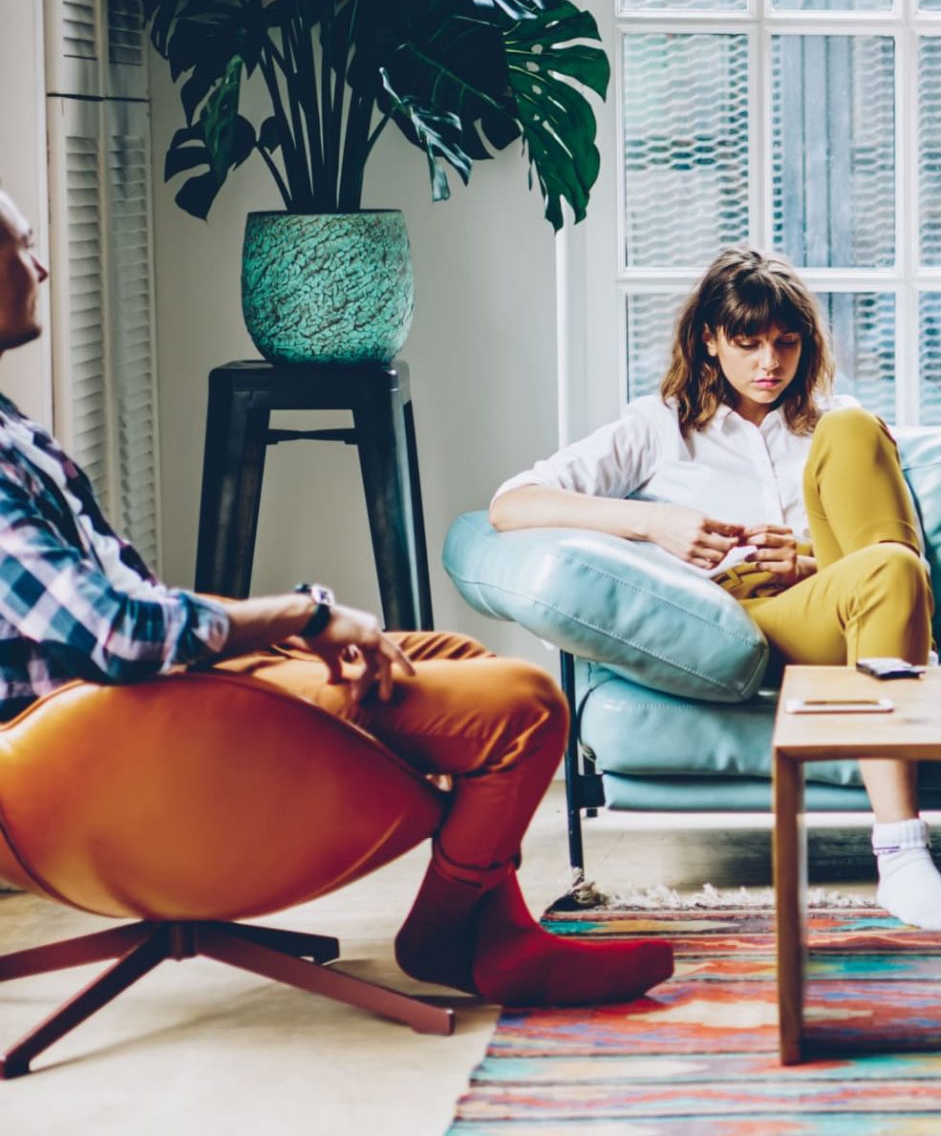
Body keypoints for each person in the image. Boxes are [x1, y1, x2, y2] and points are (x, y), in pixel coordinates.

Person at [0, 186, 673, 1007]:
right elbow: (116, 631)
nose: (40, 265)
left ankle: (495, 935)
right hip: (110, 738)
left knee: (448, 657)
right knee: (527, 706)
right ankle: (448, 935)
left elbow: (115, 610)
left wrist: (275, 637)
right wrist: (305, 615)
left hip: (139, 708)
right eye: (22, 246)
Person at [489, 246, 941, 931]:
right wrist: (655, 524)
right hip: (735, 628)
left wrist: (807, 560)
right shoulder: (658, 428)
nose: (769, 363)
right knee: (887, 568)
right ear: (710, 342)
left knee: (880, 519)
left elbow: (888, 555)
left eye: (785, 342)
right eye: (746, 344)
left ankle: (901, 859)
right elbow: (513, 503)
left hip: (839, 606)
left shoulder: (834, 425)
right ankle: (905, 827)